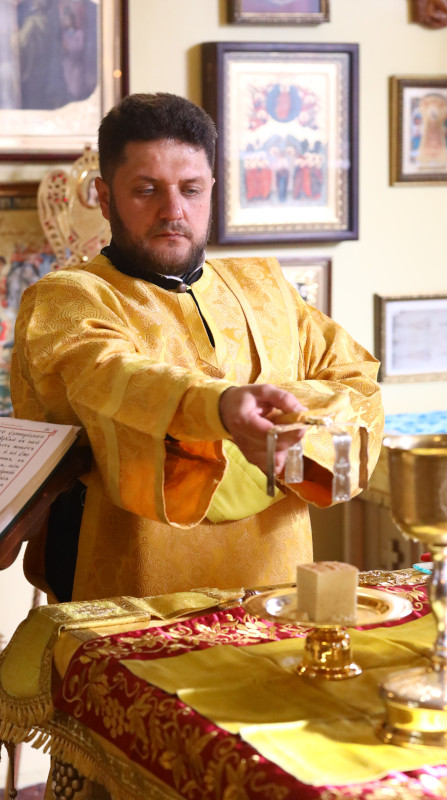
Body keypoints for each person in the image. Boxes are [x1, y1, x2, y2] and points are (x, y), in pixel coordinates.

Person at [11, 92, 384, 603]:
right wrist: (223, 410)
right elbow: (113, 378)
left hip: (276, 589)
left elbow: (357, 380)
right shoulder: (66, 299)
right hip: (134, 595)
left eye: (191, 189)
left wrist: (287, 436)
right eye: (146, 190)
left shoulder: (265, 286)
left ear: (211, 190)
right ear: (105, 197)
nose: (173, 210)